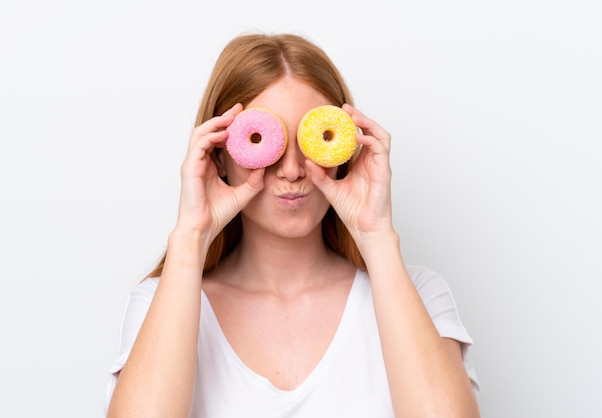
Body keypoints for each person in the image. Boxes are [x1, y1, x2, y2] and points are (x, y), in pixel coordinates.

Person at [105, 32, 481, 418]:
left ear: (346, 148)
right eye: (268, 141)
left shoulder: (417, 293)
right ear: (219, 155)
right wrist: (191, 238)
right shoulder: (164, 302)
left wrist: (376, 236)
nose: (291, 169)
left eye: (311, 139)